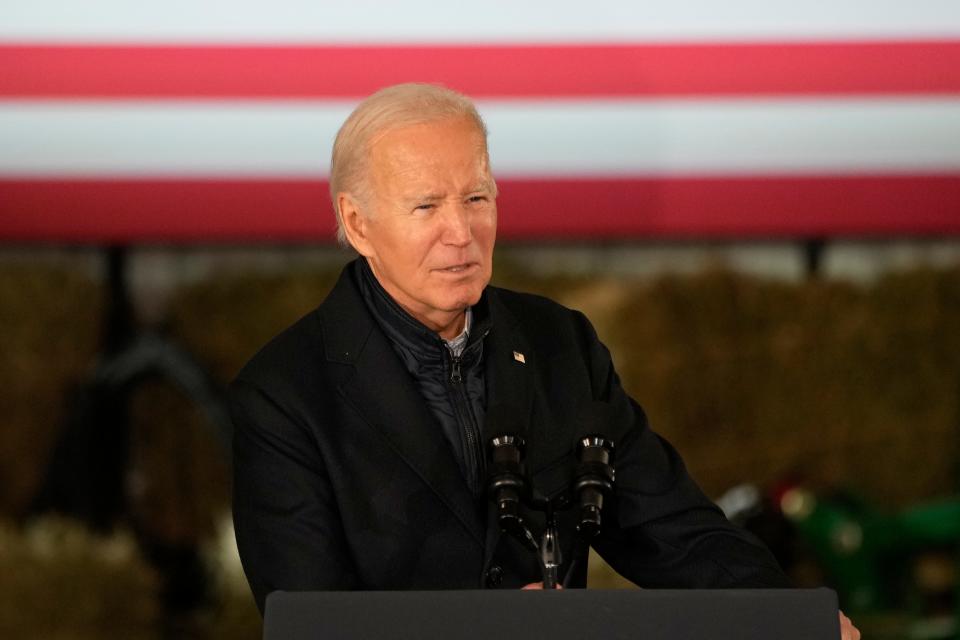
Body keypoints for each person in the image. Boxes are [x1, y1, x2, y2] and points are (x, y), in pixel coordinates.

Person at [229, 83, 859, 639]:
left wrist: (784, 616)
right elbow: (313, 622)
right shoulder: (284, 396)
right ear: (357, 224)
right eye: (426, 206)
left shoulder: (561, 344)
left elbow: (669, 526)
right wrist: (490, 629)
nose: (461, 231)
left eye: (477, 198)